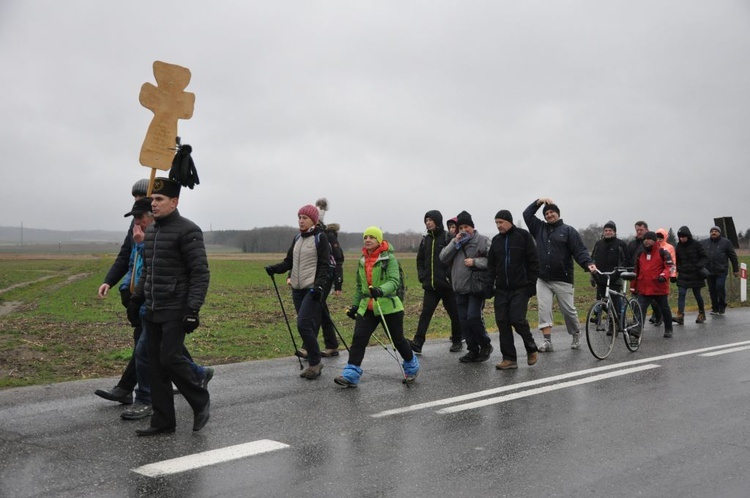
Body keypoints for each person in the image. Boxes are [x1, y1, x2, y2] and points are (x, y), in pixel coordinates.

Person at [131, 177, 211, 436]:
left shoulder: (189, 230)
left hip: (177, 307)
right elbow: (149, 271)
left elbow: (200, 273)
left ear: (174, 202)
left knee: (170, 358)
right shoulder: (152, 230)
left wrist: (192, 310)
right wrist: (137, 298)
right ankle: (163, 421)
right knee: (155, 366)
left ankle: (200, 400)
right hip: (154, 307)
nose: (153, 204)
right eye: (152, 199)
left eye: (159, 200)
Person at [334, 226, 419, 387]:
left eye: (372, 237)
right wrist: (355, 306)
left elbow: (394, 282)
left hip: (389, 307)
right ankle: (351, 375)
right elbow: (360, 288)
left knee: (398, 341)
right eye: (365, 237)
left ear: (379, 240)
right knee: (359, 339)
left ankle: (412, 366)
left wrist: (380, 290)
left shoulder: (390, 259)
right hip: (368, 307)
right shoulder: (362, 260)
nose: (367, 240)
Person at [94, 179, 150, 405]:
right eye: (134, 198)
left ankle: (126, 389)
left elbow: (159, 256)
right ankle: (195, 375)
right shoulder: (135, 224)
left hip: (149, 291)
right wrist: (110, 281)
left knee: (145, 342)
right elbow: (125, 254)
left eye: (141, 197)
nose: (137, 202)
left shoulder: (159, 224)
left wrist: (144, 242)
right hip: (132, 291)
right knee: (161, 343)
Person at [265, 205, 333, 379]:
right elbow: (289, 262)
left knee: (303, 324)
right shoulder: (297, 238)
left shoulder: (320, 238)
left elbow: (325, 265)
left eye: (305, 218)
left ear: (313, 220)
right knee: (307, 326)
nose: (301, 221)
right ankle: (314, 357)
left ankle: (315, 362)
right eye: (299, 217)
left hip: (311, 289)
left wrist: (319, 286)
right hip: (297, 289)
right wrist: (274, 269)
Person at [523, 198, 596, 352]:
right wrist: (539, 202)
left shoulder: (568, 231)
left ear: (558, 213)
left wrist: (588, 263)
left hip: (563, 278)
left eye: (552, 212)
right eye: (547, 213)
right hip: (543, 278)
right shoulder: (539, 228)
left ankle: (575, 333)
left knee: (568, 311)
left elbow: (579, 251)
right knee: (544, 309)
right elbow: (527, 214)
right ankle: (547, 341)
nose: (549, 215)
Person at [487, 210, 540, 370]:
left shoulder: (523, 236)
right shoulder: (496, 241)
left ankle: (531, 347)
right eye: (496, 223)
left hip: (521, 287)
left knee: (517, 319)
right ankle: (509, 359)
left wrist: (531, 284)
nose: (498, 226)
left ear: (509, 221)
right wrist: (489, 286)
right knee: (502, 322)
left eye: (501, 222)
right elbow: (491, 266)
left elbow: (533, 261)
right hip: (502, 289)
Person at [439, 211, 493, 363]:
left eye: (466, 227)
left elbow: (494, 261)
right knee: (463, 321)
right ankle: (472, 350)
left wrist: (475, 262)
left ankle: (485, 344)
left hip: (476, 287)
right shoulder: (456, 242)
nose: (464, 230)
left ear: (473, 227)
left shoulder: (483, 240)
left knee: (473, 317)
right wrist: (454, 243)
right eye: (460, 227)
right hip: (459, 288)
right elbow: (443, 257)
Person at [410, 210, 462, 354]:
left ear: (437, 221)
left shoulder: (448, 237)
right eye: (426, 220)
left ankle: (457, 340)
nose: (428, 222)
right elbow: (420, 260)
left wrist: (449, 276)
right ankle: (418, 343)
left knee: (454, 314)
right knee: (425, 314)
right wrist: (422, 276)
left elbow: (456, 259)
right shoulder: (425, 240)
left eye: (430, 220)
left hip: (447, 286)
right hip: (430, 286)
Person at [631, 231, 675, 338]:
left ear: (654, 241)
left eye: (649, 239)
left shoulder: (663, 252)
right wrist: (633, 286)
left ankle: (668, 328)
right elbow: (637, 271)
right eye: (644, 239)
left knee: (664, 308)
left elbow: (670, 267)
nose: (646, 241)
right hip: (644, 288)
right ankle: (638, 329)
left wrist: (664, 275)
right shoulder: (640, 254)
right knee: (640, 309)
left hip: (659, 287)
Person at [590, 221, 628, 317]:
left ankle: (617, 320)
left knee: (614, 302)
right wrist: (592, 275)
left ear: (614, 232)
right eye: (606, 230)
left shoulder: (620, 244)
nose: (607, 232)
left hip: (615, 278)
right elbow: (593, 259)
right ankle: (603, 318)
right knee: (601, 301)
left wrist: (619, 271)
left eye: (610, 230)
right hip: (601, 278)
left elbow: (625, 260)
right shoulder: (599, 244)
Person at [673, 226, 708, 324]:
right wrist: (679, 268)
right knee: (681, 293)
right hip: (683, 274)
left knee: (697, 295)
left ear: (688, 236)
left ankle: (702, 313)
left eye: (684, 236)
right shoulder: (678, 246)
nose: (682, 238)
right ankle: (680, 315)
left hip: (696, 274)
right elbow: (677, 260)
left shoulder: (697, 245)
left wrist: (698, 266)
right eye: (680, 237)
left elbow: (704, 257)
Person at [702, 226, 739, 315]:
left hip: (721, 270)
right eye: (712, 231)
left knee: (719, 287)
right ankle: (715, 308)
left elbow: (733, 256)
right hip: (709, 271)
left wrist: (735, 269)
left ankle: (722, 306)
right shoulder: (705, 242)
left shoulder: (726, 242)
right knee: (712, 290)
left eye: (716, 231)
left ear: (719, 232)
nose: (713, 233)